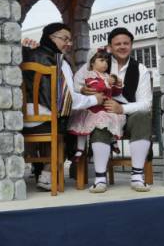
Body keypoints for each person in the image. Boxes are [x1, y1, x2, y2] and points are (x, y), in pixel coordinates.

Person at [22, 22, 104, 190]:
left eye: (70, 40)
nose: (69, 43)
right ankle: (49, 173)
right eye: (65, 39)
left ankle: (42, 169)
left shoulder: (28, 54)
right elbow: (67, 100)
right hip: (47, 121)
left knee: (65, 116)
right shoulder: (59, 61)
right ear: (50, 38)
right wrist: (95, 99)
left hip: (22, 120)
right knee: (76, 122)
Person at [82, 27, 153, 193]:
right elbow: (78, 81)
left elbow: (146, 103)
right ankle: (100, 179)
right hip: (103, 113)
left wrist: (121, 108)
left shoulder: (140, 69)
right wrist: (83, 90)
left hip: (128, 118)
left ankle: (137, 176)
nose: (122, 47)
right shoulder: (99, 61)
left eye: (126, 43)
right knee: (100, 118)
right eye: (118, 44)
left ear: (131, 45)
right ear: (110, 47)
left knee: (143, 115)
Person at [68, 49, 126, 158]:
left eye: (106, 61)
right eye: (102, 60)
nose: (105, 63)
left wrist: (117, 85)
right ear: (92, 63)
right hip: (93, 108)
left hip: (105, 107)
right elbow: (95, 87)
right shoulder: (90, 75)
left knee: (112, 120)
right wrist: (107, 83)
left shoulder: (107, 76)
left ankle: (113, 141)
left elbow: (115, 92)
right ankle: (80, 148)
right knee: (82, 127)